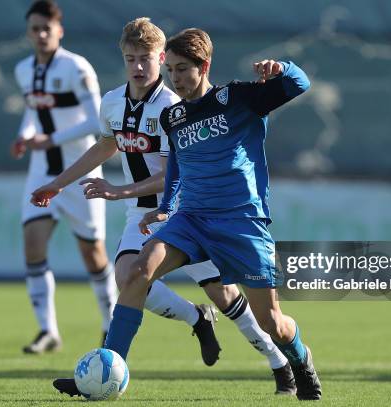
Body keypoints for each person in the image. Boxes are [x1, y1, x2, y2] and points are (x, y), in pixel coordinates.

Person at [31, 18, 296, 396]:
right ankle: (114, 366)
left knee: (227, 298)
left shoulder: (175, 107)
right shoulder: (111, 102)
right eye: (129, 59)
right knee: (128, 277)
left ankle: (278, 361)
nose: (138, 67)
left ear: (161, 59)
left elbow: (179, 173)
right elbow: (105, 146)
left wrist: (118, 190)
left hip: (186, 215)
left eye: (146, 59)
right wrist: (57, 184)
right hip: (141, 216)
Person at [94, 28, 322, 401]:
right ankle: (110, 367)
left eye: (184, 69)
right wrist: (166, 208)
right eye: (171, 71)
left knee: (272, 323)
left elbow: (300, 83)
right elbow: (178, 167)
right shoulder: (175, 117)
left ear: (205, 66)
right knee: (137, 272)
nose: (176, 78)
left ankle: (299, 358)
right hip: (192, 221)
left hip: (241, 223)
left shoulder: (239, 98)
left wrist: (282, 67)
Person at [12, 0, 116, 354]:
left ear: (60, 30)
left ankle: (110, 323)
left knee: (93, 254)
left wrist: (51, 139)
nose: (40, 35)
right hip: (42, 169)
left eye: (46, 28)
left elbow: (97, 123)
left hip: (80, 169)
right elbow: (32, 113)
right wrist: (25, 136)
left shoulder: (77, 68)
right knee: (32, 243)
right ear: (28, 33)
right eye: (34, 29)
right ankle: (47, 331)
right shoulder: (23, 69)